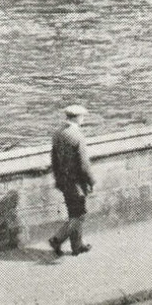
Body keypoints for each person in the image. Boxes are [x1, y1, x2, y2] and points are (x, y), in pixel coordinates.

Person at [49, 104, 96, 256]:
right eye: (82, 117)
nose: (83, 119)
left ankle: (77, 246)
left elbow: (54, 160)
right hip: (76, 183)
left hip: (64, 181)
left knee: (73, 213)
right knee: (80, 215)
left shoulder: (58, 133)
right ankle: (57, 238)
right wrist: (91, 181)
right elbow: (84, 165)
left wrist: (58, 180)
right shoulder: (77, 136)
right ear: (77, 117)